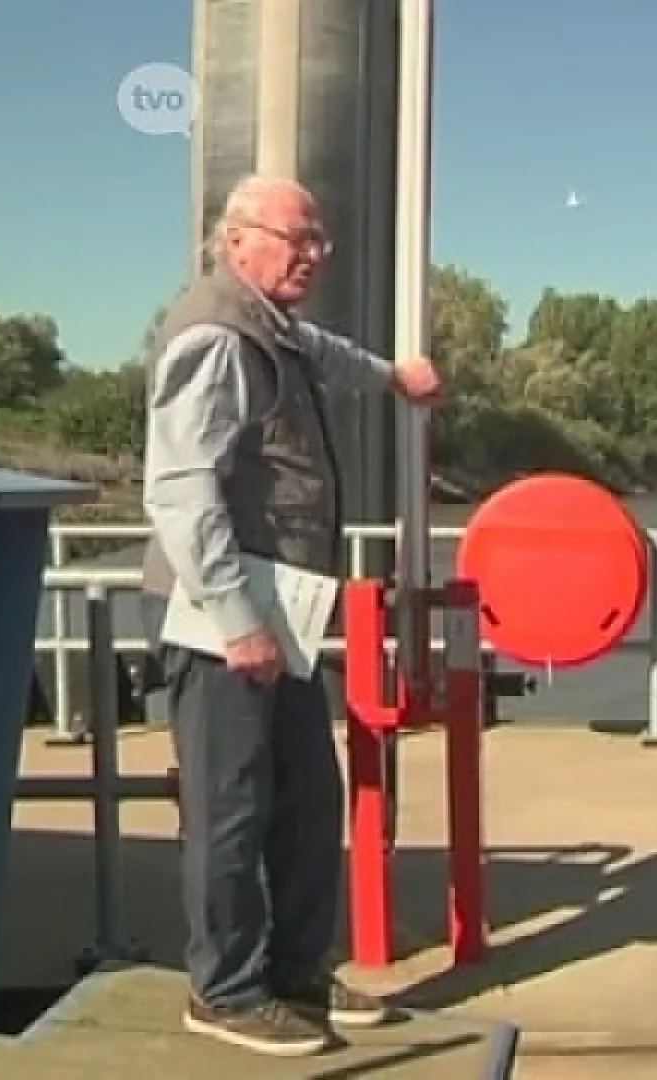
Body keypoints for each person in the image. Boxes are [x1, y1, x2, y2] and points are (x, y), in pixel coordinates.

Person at [140, 173, 442, 1057]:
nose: (313, 255)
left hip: (285, 609)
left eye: (320, 241)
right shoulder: (215, 336)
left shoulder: (275, 329)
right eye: (296, 238)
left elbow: (330, 353)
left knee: (308, 796)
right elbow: (182, 490)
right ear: (237, 241)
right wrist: (237, 619)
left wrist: (396, 378)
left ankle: (297, 971)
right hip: (224, 615)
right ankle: (226, 990)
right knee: (231, 805)